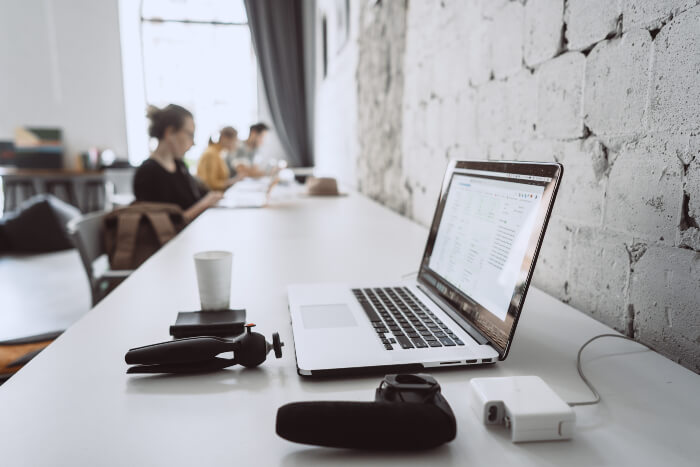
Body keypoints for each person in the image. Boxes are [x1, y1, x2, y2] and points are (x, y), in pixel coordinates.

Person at [133, 104, 223, 222]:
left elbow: (200, 196)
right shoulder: (148, 173)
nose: (193, 143)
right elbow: (161, 226)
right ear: (170, 132)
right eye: (190, 135)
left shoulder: (179, 165)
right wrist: (204, 204)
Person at [196, 126, 240, 191]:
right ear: (224, 138)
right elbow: (210, 184)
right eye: (235, 140)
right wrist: (232, 181)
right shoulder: (211, 154)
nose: (236, 144)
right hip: (212, 196)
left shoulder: (218, 153)